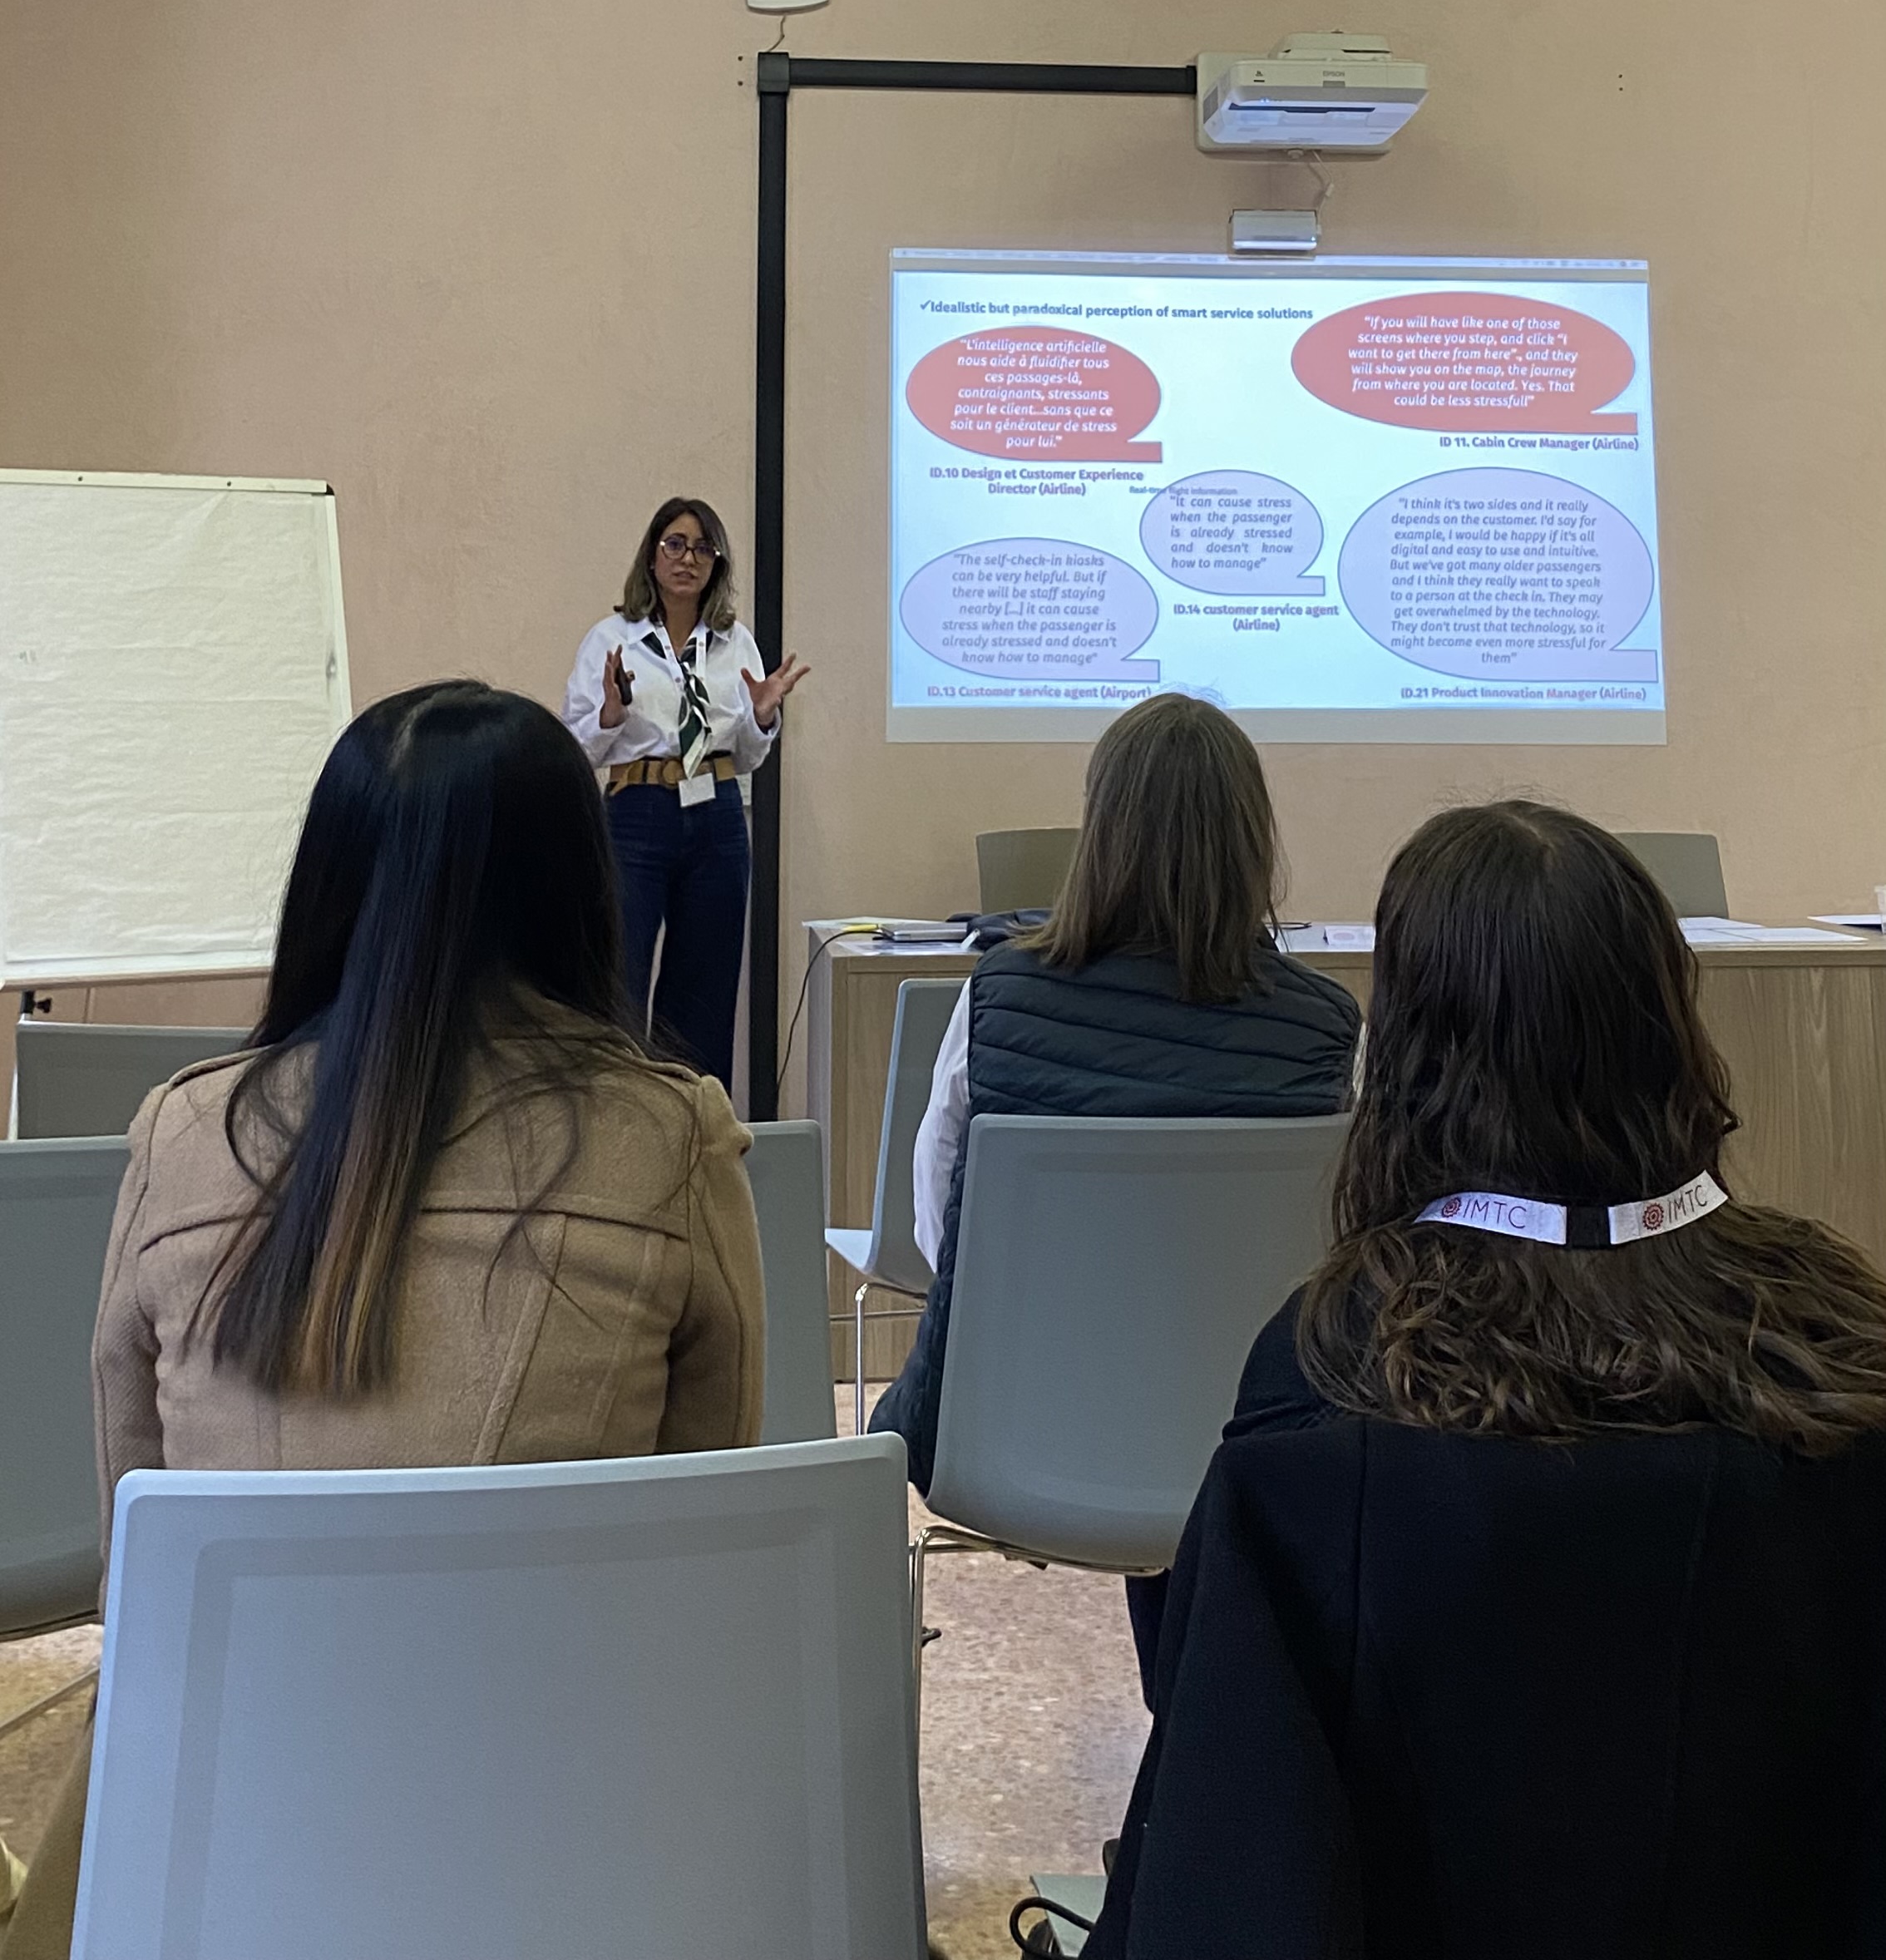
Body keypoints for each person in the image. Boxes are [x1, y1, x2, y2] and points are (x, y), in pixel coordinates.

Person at [3, 681, 763, 1960]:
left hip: (217, 1834)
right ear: (578, 891)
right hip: (567, 1838)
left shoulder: (181, 1133)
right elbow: (703, 1563)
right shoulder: (672, 1138)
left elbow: (141, 1561)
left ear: (329, 883)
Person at [1089, 802, 1886, 1960]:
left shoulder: (1334, 1369)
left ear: (1405, 1053)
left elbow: (1233, 1837)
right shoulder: (1840, 1340)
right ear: (1668, 1020)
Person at [872, 691, 1360, 1693]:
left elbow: (938, 1235)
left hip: (996, 1440)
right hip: (1252, 1446)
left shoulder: (998, 999)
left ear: (1098, 833)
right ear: (1253, 844)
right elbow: (1329, 1259)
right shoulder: (1323, 1033)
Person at [563, 498, 807, 1091]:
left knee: (706, 988)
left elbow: (747, 757)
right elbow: (577, 749)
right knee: (619, 976)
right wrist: (611, 714)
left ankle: (696, 1124)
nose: (687, 558)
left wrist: (762, 718)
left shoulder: (733, 643)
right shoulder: (612, 639)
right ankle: (619, 1114)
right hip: (635, 815)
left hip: (717, 816)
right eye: (675, 544)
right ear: (652, 555)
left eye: (702, 548)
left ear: (716, 564)